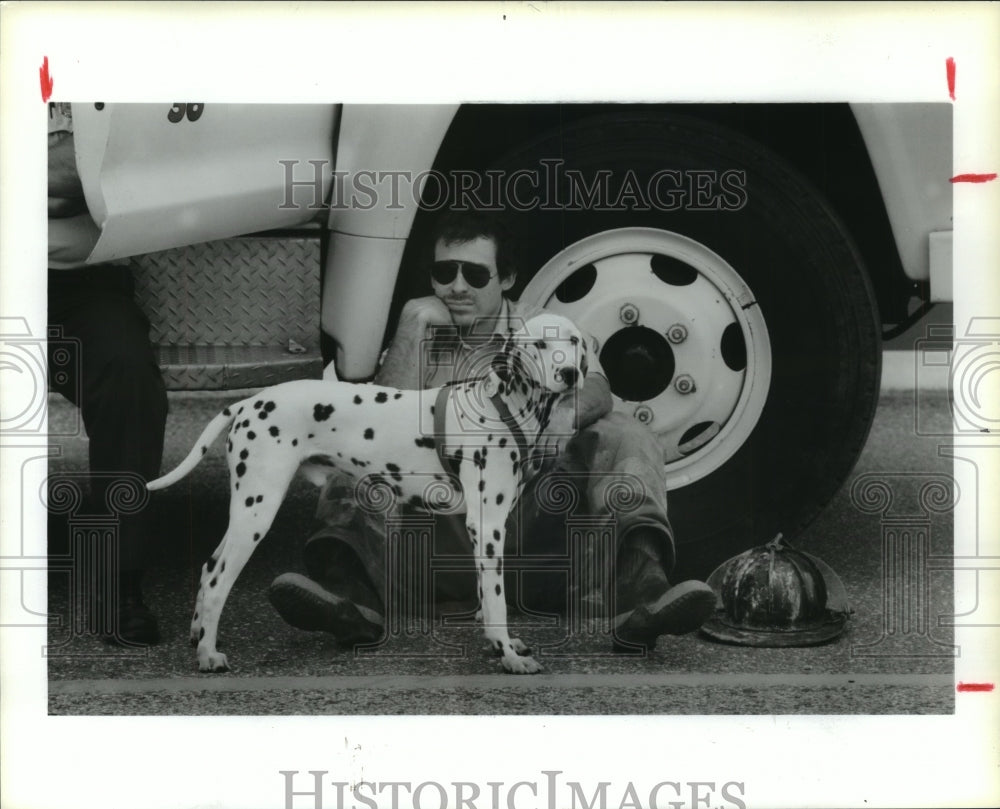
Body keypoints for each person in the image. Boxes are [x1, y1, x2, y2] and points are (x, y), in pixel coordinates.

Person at [268, 210, 716, 651]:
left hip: (537, 528)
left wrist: (562, 416)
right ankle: (349, 600)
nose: (457, 287)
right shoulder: (418, 333)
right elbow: (374, 419)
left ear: (507, 279)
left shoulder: (541, 327)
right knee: (359, 448)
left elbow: (598, 388)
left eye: (476, 274)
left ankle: (642, 596)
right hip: (445, 542)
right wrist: (412, 324)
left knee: (625, 432)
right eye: (445, 273)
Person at [48, 102, 168, 645]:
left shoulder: (95, 73)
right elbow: (69, 172)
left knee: (128, 377)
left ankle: (119, 580)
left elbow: (100, 172)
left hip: (81, 283)